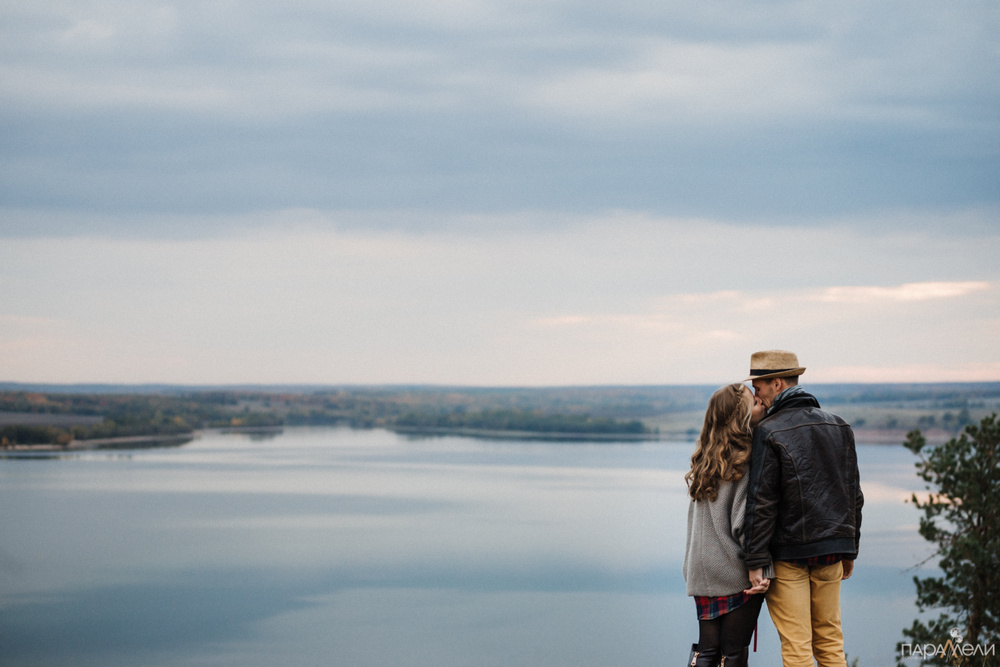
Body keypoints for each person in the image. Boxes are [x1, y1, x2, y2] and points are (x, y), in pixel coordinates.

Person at [742, 350, 864, 667]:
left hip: (788, 555)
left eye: (758, 386)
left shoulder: (769, 431)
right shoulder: (840, 426)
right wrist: (849, 549)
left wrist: (755, 560)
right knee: (830, 643)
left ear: (777, 383)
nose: (756, 394)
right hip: (832, 550)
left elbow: (762, 502)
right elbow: (853, 494)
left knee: (797, 648)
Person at [683, 382, 770, 667]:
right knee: (732, 652)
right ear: (740, 419)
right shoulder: (744, 462)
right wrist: (761, 567)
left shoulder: (705, 460)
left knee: (707, 649)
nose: (762, 404)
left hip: (700, 569)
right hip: (731, 570)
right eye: (754, 403)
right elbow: (745, 525)